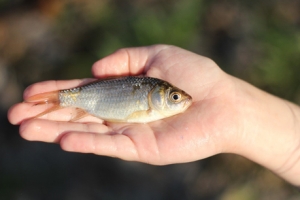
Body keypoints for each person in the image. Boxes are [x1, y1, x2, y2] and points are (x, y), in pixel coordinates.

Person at [8, 45, 300, 186]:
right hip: (95, 98)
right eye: (174, 97)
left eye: (176, 97)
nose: (181, 100)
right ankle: (54, 101)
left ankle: (53, 101)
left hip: (98, 101)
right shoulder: (148, 101)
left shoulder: (153, 100)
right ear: (158, 96)